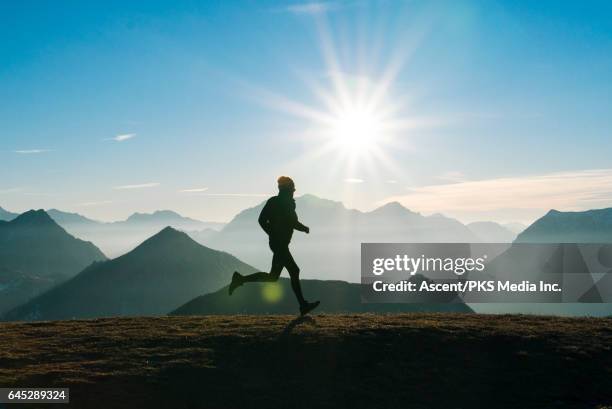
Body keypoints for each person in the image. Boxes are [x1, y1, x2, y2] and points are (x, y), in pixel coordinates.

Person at [229, 176, 320, 316]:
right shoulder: (283, 203)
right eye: (292, 189)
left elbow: (268, 221)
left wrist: (273, 232)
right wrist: (302, 229)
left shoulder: (278, 202)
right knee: (294, 271)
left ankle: (240, 279)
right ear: (287, 189)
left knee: (273, 277)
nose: (293, 192)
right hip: (279, 245)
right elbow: (287, 222)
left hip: (279, 244)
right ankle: (303, 305)